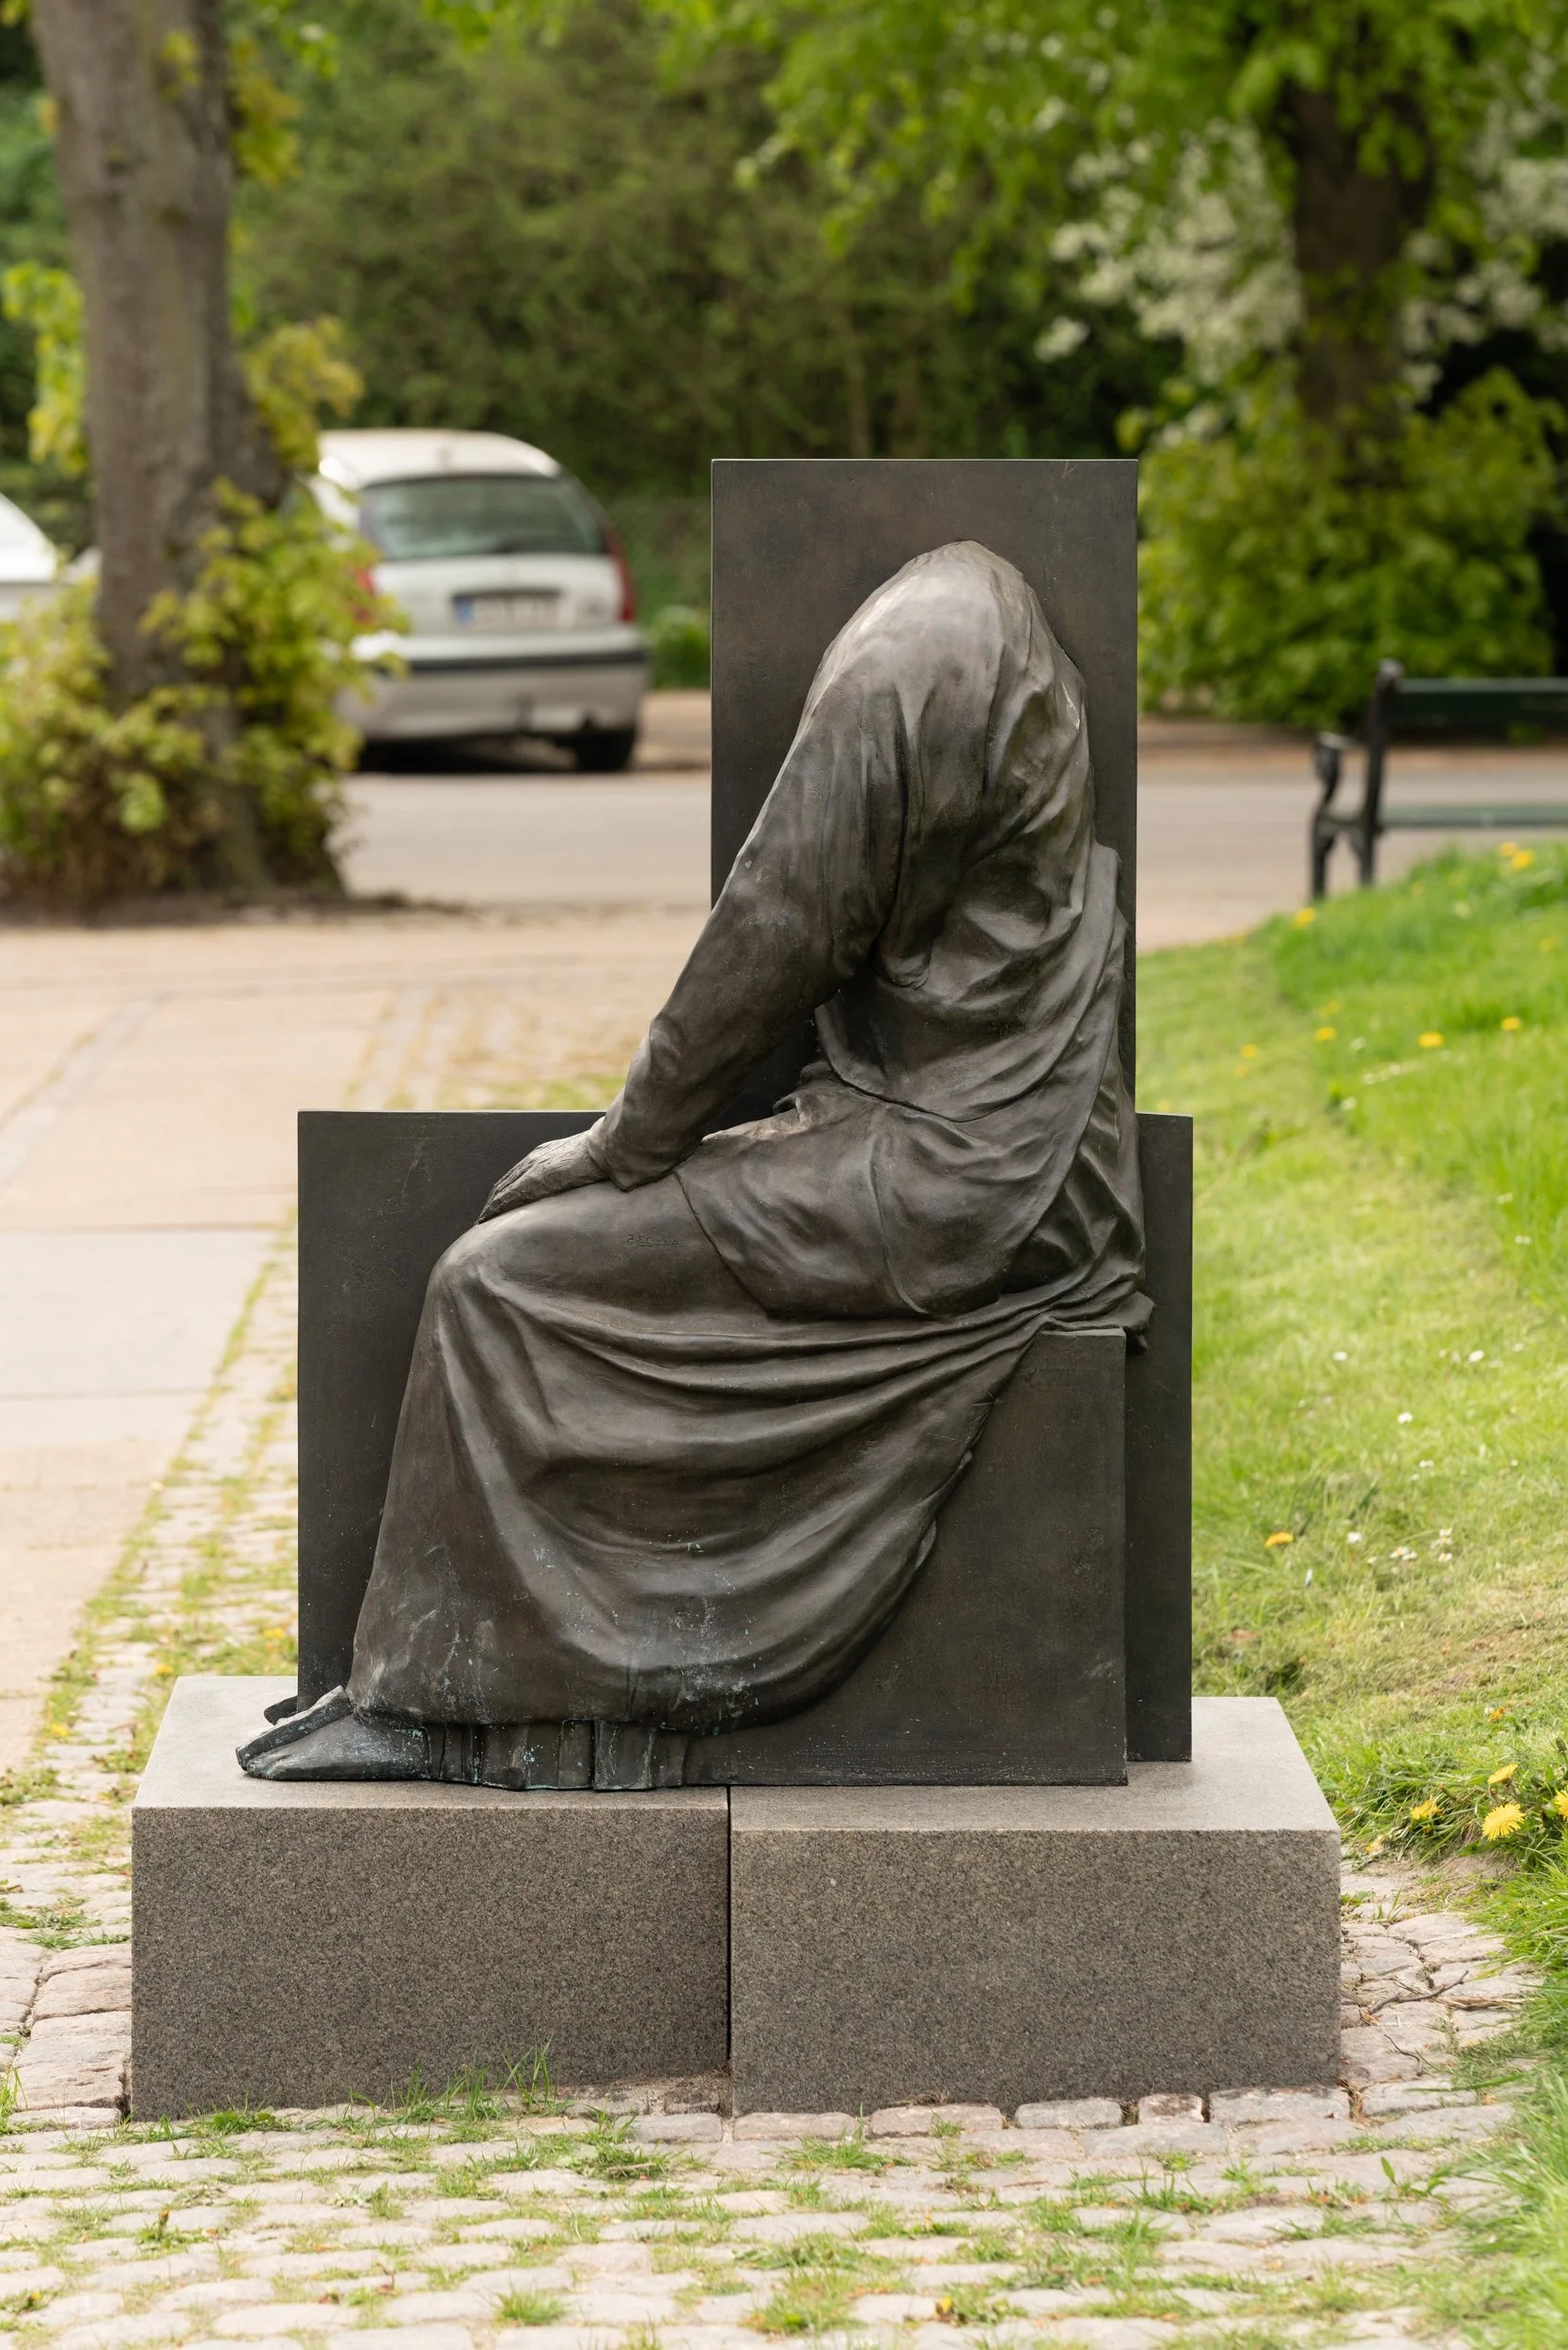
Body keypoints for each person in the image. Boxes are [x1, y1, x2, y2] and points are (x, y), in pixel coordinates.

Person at [241, 540, 1149, 1788]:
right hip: (1002, 1152)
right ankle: (424, 1677)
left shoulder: (891, 679)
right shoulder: (995, 623)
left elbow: (775, 928)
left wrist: (629, 1140)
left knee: (493, 1281)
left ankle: (446, 1702)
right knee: (518, 1271)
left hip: (948, 1180)